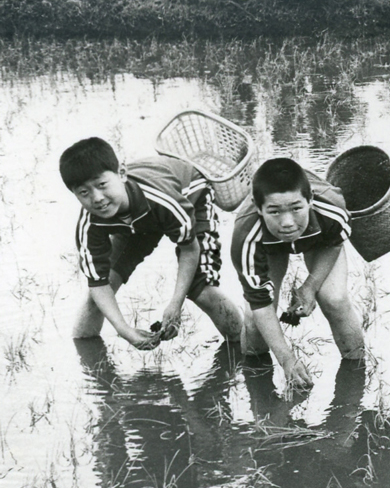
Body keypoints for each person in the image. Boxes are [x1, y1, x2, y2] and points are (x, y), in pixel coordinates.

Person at [61, 137, 242, 350]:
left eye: (102, 185)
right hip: (133, 224)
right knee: (96, 298)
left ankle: (244, 348)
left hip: (189, 197)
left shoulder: (163, 199)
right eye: (84, 192)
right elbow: (98, 283)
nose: (97, 198)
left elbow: (189, 249)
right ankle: (88, 361)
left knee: (201, 290)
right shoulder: (89, 223)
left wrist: (176, 303)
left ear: (121, 174)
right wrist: (124, 330)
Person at [230, 158, 364, 386]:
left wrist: (310, 286)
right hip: (268, 246)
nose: (287, 222)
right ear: (258, 207)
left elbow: (333, 243)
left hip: (319, 241)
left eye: (296, 208)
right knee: (254, 320)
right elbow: (259, 302)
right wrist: (287, 359)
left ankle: (356, 376)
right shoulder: (245, 234)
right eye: (274, 211)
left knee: (335, 299)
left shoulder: (332, 208)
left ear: (310, 199)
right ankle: (258, 387)